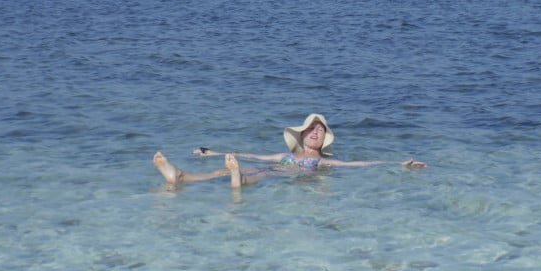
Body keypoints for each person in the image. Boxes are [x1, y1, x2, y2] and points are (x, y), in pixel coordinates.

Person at [153, 113, 426, 188]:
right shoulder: (287, 155)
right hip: (276, 166)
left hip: (289, 177)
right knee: (232, 166)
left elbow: (359, 164)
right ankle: (181, 176)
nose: (316, 132)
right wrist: (211, 152)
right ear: (303, 135)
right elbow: (254, 155)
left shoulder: (323, 163)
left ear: (324, 140)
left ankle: (241, 182)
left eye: (321, 130)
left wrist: (397, 163)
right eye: (311, 129)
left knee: (262, 175)